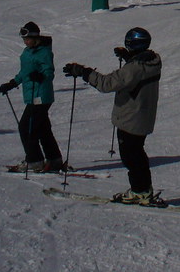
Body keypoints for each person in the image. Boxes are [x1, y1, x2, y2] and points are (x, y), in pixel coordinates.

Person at [63, 27, 162, 204]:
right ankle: (143, 190)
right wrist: (130, 58)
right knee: (136, 154)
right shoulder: (153, 61)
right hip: (143, 116)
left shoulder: (133, 69)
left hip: (130, 118)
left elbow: (107, 84)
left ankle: (140, 191)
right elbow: (137, 74)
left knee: (131, 156)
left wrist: (84, 72)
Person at [0, 21, 63, 173]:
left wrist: (41, 76)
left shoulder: (44, 52)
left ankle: (35, 161)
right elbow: (24, 72)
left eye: (27, 39)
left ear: (35, 37)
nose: (25, 42)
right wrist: (12, 83)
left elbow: (49, 72)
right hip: (32, 95)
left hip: (41, 96)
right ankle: (54, 159)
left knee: (26, 128)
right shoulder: (27, 52)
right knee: (43, 129)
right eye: (24, 39)